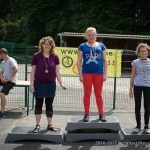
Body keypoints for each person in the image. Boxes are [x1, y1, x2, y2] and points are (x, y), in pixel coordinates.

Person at [30, 36, 66, 133]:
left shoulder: (55, 56)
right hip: (39, 84)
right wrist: (31, 84)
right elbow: (33, 71)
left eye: (49, 44)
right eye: (45, 44)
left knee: (49, 105)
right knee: (38, 104)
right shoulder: (36, 56)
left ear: (52, 46)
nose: (47, 46)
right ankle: (37, 125)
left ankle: (50, 125)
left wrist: (61, 83)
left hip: (51, 84)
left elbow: (57, 71)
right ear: (42, 44)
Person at [77, 27, 108, 122]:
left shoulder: (101, 45)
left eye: (93, 35)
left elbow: (105, 60)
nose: (91, 37)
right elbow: (78, 62)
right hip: (86, 74)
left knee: (98, 94)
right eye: (89, 35)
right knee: (87, 94)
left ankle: (101, 114)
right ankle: (86, 113)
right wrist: (80, 75)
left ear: (96, 35)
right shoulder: (82, 46)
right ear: (86, 36)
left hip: (99, 74)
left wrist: (105, 74)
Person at [129, 43, 150, 134]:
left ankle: (146, 126)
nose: (143, 52)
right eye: (141, 51)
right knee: (137, 106)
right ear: (139, 52)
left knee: (147, 106)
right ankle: (138, 126)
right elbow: (133, 75)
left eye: (145, 51)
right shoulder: (135, 62)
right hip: (137, 85)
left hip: (148, 86)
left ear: (147, 51)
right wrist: (130, 88)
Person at [0, 48, 18, 119]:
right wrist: (1, 78)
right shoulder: (3, 62)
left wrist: (10, 78)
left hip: (11, 81)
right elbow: (0, 72)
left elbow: (16, 69)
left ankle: (2, 112)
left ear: (2, 54)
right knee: (1, 93)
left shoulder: (11, 60)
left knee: (2, 93)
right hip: (4, 80)